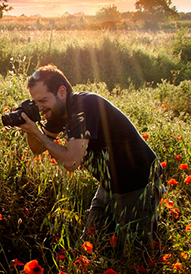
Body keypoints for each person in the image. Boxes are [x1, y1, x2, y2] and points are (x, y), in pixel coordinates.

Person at [15, 65, 163, 246]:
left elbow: (71, 161)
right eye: (36, 103)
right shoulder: (58, 112)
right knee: (90, 243)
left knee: (133, 250)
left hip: (138, 185)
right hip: (109, 185)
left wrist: (37, 133)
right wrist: (29, 126)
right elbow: (37, 149)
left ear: (62, 92)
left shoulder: (85, 106)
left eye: (43, 100)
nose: (40, 108)